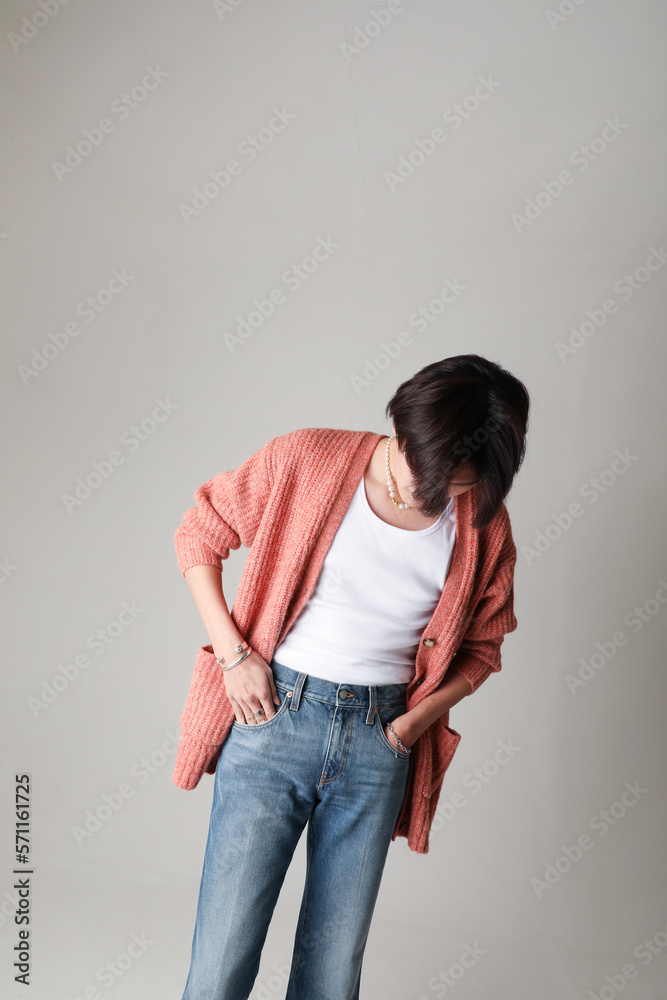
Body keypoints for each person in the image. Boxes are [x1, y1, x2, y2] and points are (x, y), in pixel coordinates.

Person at [175, 353, 530, 999]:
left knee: (333, 967)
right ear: (403, 427)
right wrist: (233, 657)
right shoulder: (308, 458)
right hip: (273, 717)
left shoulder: (482, 523)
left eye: (458, 485)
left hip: (379, 739)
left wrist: (411, 725)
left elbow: (484, 645)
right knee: (223, 952)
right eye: (429, 475)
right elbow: (200, 533)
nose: (436, 496)